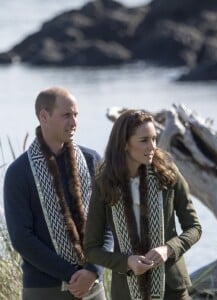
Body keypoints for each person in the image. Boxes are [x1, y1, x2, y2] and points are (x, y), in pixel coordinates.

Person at [4, 86, 113, 300]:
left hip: (93, 286)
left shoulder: (92, 160)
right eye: (66, 115)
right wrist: (72, 275)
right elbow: (21, 238)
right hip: (44, 291)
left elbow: (109, 220)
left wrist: (93, 270)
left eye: (75, 115)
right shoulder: (19, 172)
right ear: (44, 116)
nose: (74, 122)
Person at [84, 109, 202, 300]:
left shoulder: (168, 175)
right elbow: (91, 249)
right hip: (126, 293)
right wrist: (127, 262)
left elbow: (194, 228)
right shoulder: (104, 184)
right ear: (124, 144)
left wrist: (169, 249)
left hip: (173, 290)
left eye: (154, 139)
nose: (152, 146)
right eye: (144, 140)